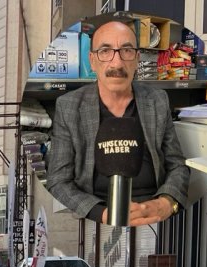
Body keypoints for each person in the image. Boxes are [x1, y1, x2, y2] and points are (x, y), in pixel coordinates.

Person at [45, 20, 190, 227]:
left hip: (153, 211)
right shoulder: (69, 106)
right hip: (99, 213)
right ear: (92, 61)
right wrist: (102, 214)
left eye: (127, 51)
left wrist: (166, 203)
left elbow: (177, 166)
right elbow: (58, 182)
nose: (117, 64)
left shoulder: (157, 100)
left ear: (138, 59)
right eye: (105, 51)